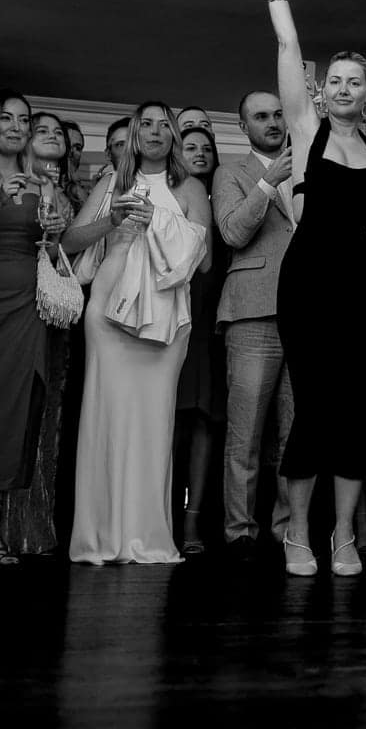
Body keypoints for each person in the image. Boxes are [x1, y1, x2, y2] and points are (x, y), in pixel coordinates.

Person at [248, 0, 366, 579]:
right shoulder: (307, 128)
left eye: (353, 81)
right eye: (334, 79)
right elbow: (287, 43)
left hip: (358, 282)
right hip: (307, 279)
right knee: (310, 407)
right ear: (323, 88)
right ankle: (297, 533)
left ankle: (345, 538)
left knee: (353, 410)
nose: (341, 87)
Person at [63, 101, 210, 564]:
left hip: (164, 315)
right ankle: (100, 534)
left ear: (173, 135)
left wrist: (159, 224)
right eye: (143, 124)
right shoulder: (112, 181)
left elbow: (203, 261)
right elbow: (69, 243)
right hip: (108, 311)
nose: (153, 131)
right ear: (132, 133)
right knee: (105, 419)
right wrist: (115, 219)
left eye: (162, 124)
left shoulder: (190, 188)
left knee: (153, 423)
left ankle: (146, 535)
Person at [214, 91, 296, 559]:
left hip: (305, 315)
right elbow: (232, 232)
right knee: (245, 431)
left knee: (294, 430)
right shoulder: (231, 172)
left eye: (278, 114)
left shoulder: (308, 169)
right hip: (252, 313)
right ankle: (239, 531)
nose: (272, 122)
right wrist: (268, 183)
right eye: (261, 116)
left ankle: (287, 527)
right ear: (243, 126)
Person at [0, 95, 72, 563]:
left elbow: (52, 247)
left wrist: (53, 219)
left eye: (23, 120)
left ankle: (2, 534)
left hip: (26, 303)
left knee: (14, 405)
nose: (17, 126)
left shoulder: (41, 181)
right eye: (6, 118)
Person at [173, 126, 224, 556]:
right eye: (191, 147)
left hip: (212, 320)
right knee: (168, 419)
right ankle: (163, 512)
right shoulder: (165, 197)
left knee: (205, 418)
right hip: (169, 315)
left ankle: (194, 518)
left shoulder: (225, 198)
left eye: (208, 148)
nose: (201, 153)